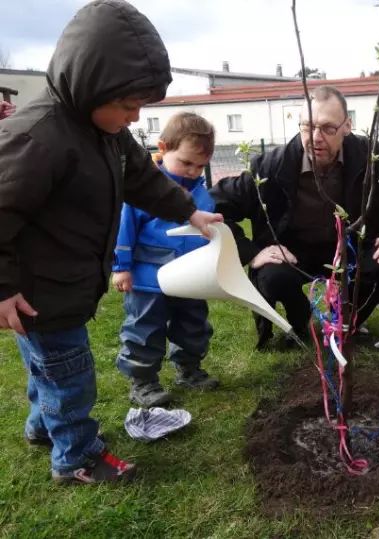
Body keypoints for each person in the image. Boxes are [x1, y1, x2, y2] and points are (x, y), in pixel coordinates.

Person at [0, 0, 222, 484]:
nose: (135, 115)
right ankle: (77, 456)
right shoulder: (39, 137)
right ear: (89, 84)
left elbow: (142, 178)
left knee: (49, 370)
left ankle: (46, 428)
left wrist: (188, 210)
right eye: (127, 105)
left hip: (66, 280)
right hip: (39, 290)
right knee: (70, 375)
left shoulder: (107, 132)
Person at [210, 85, 379, 348]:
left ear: (347, 126)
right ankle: (300, 321)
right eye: (307, 126)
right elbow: (212, 206)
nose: (315, 137)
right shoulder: (271, 167)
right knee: (271, 276)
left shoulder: (371, 159)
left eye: (328, 128)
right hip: (292, 254)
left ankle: (347, 322)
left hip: (350, 250)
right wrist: (252, 252)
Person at [113, 112, 219, 408]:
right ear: (162, 147)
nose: (192, 171)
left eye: (200, 166)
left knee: (193, 324)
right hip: (149, 279)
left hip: (190, 279)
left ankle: (189, 368)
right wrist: (121, 268)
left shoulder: (200, 192)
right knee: (144, 329)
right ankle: (143, 381)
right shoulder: (144, 190)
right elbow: (124, 229)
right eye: (186, 162)